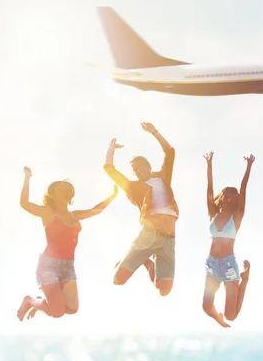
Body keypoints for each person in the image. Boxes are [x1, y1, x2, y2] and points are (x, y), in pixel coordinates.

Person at [16, 167, 118, 321]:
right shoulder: (48, 213)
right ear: (53, 195)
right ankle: (30, 301)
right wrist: (27, 178)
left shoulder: (75, 215)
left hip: (68, 266)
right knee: (57, 312)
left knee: (72, 309)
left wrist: (113, 195)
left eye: (67, 190)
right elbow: (24, 203)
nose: (64, 193)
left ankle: (41, 304)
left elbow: (96, 210)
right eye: (60, 190)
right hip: (48, 266)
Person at [103, 122, 179, 296]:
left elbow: (169, 152)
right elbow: (109, 169)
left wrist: (155, 132)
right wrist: (111, 148)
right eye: (134, 170)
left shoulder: (163, 178)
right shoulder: (134, 188)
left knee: (164, 290)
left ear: (149, 167)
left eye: (140, 167)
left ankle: (148, 263)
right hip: (149, 235)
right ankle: (139, 258)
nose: (137, 171)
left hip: (169, 237)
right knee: (118, 280)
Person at [201, 152, 254, 328]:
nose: (230, 198)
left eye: (233, 196)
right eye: (227, 195)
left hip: (229, 266)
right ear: (221, 197)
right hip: (212, 264)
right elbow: (209, 189)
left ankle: (244, 280)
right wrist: (209, 164)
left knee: (231, 316)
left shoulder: (237, 217)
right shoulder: (213, 214)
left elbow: (244, 189)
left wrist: (249, 167)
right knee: (206, 306)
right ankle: (217, 318)